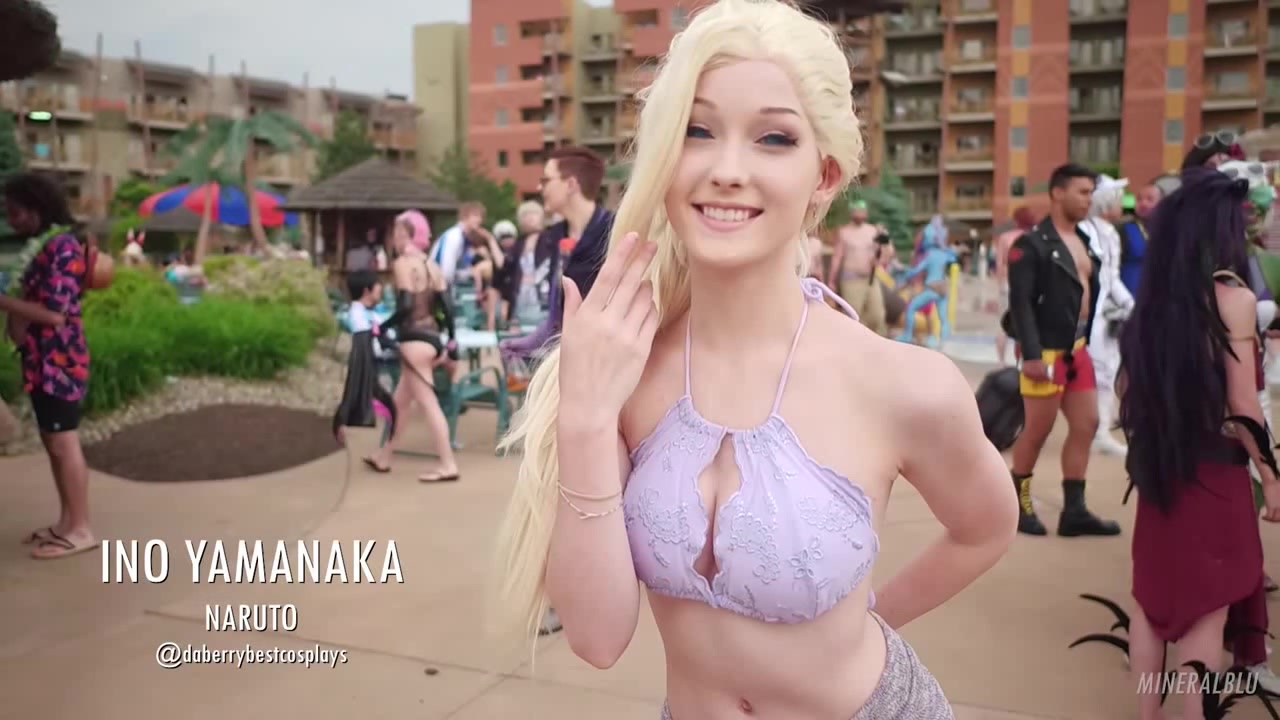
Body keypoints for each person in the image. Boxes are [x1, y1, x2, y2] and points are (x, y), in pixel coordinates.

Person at [489, 2, 1018, 718]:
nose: (727, 170)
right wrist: (584, 417)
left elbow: (986, 526)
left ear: (823, 175)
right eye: (697, 130)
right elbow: (597, 638)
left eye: (773, 138)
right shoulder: (624, 369)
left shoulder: (901, 384)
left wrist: (872, 616)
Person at [1119, 168, 1280, 718]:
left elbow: (1126, 389)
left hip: (1160, 470)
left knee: (1151, 603)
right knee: (1206, 611)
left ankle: (1148, 715)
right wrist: (1271, 476)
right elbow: (1243, 404)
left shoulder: (1151, 303)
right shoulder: (1231, 299)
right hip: (1215, 474)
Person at [1005, 163, 1120, 538]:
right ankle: (1017, 505)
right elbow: (1020, 304)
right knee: (1037, 431)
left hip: (1078, 348)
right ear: (1058, 192)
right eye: (1082, 192)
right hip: (1047, 352)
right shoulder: (1032, 244)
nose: (1089, 200)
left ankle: (1074, 511)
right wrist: (1032, 355)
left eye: (1091, 192)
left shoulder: (1084, 240)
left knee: (1086, 425)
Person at [2, 174, 95, 559]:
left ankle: (81, 528)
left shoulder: (63, 247)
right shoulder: (43, 246)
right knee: (52, 442)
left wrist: (3, 303)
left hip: (60, 359)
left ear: (37, 207)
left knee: (63, 441)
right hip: (41, 359)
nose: (11, 220)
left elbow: (55, 315)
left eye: (16, 212)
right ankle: (66, 522)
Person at [363, 210, 461, 483]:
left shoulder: (403, 264)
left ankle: (448, 464)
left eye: (399, 233)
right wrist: (450, 340)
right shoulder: (432, 266)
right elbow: (448, 308)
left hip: (413, 341)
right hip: (432, 339)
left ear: (410, 235)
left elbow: (406, 306)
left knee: (429, 405)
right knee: (400, 403)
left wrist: (382, 328)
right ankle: (384, 456)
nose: (395, 239)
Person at [499, 146, 613, 364]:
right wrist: (531, 342)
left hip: (603, 363)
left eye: (546, 180)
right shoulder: (554, 237)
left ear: (571, 184)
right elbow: (557, 316)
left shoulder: (615, 232)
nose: (539, 187)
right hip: (569, 362)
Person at [1079, 175, 1135, 457]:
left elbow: (1111, 277)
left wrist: (1130, 305)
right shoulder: (1083, 230)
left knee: (1107, 370)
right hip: (1085, 313)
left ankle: (1100, 432)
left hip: (1104, 313)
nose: (1121, 204)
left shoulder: (1111, 233)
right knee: (1091, 371)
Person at [332, 270, 397, 444]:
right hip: (368, 368)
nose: (380, 289)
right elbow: (366, 345)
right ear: (367, 290)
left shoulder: (370, 313)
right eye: (377, 286)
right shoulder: (357, 316)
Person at [895, 216, 956, 346]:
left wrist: (907, 273)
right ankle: (944, 341)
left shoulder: (930, 255)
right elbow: (952, 259)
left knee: (911, 308)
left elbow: (917, 269)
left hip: (931, 288)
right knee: (943, 317)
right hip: (942, 289)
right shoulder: (944, 254)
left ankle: (907, 335)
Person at [828, 199, 887, 335]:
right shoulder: (844, 232)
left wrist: (878, 260)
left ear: (866, 213)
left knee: (877, 315)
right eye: (857, 211)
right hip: (851, 280)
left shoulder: (872, 231)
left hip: (870, 279)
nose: (860, 213)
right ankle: (854, 341)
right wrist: (831, 280)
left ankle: (873, 339)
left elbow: (882, 252)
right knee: (852, 316)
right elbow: (837, 257)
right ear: (852, 212)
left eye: (862, 211)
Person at [993, 207, 1035, 366]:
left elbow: (999, 264)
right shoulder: (1033, 237)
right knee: (1026, 323)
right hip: (1028, 284)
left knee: (1003, 324)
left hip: (1008, 283)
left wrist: (1000, 285)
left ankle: (1001, 362)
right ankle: (1022, 360)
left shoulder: (1005, 238)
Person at [1116, 180, 1161, 296]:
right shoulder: (1124, 228)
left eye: (1150, 199)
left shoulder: (1169, 230)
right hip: (1129, 293)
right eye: (1139, 199)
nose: (1143, 203)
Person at [430, 202, 485, 287]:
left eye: (481, 217)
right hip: (437, 281)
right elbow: (447, 271)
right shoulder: (454, 236)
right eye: (475, 216)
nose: (479, 220)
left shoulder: (464, 238)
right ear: (464, 217)